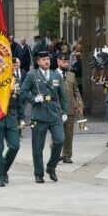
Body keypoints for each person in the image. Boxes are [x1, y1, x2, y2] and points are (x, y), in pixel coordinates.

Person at [20, 51, 67, 183]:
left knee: (59, 140)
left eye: (48, 59)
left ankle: (51, 167)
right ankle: (38, 173)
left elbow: (62, 95)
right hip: (39, 115)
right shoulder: (32, 75)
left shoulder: (56, 74)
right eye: (44, 59)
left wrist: (64, 111)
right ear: (38, 62)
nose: (46, 61)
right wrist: (34, 99)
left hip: (53, 113)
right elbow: (23, 92)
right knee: (38, 147)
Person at [0, 60, 25, 187]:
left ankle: (3, 169)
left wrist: (21, 118)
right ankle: (0, 177)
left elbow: (20, 102)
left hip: (11, 116)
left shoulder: (15, 81)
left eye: (11, 66)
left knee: (15, 145)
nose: (10, 68)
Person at [58, 52, 83, 164]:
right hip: (56, 109)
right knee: (57, 134)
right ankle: (56, 154)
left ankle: (67, 155)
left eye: (67, 61)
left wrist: (79, 103)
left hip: (70, 107)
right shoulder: (53, 74)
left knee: (69, 134)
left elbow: (76, 91)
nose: (66, 63)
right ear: (58, 61)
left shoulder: (71, 75)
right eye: (64, 61)